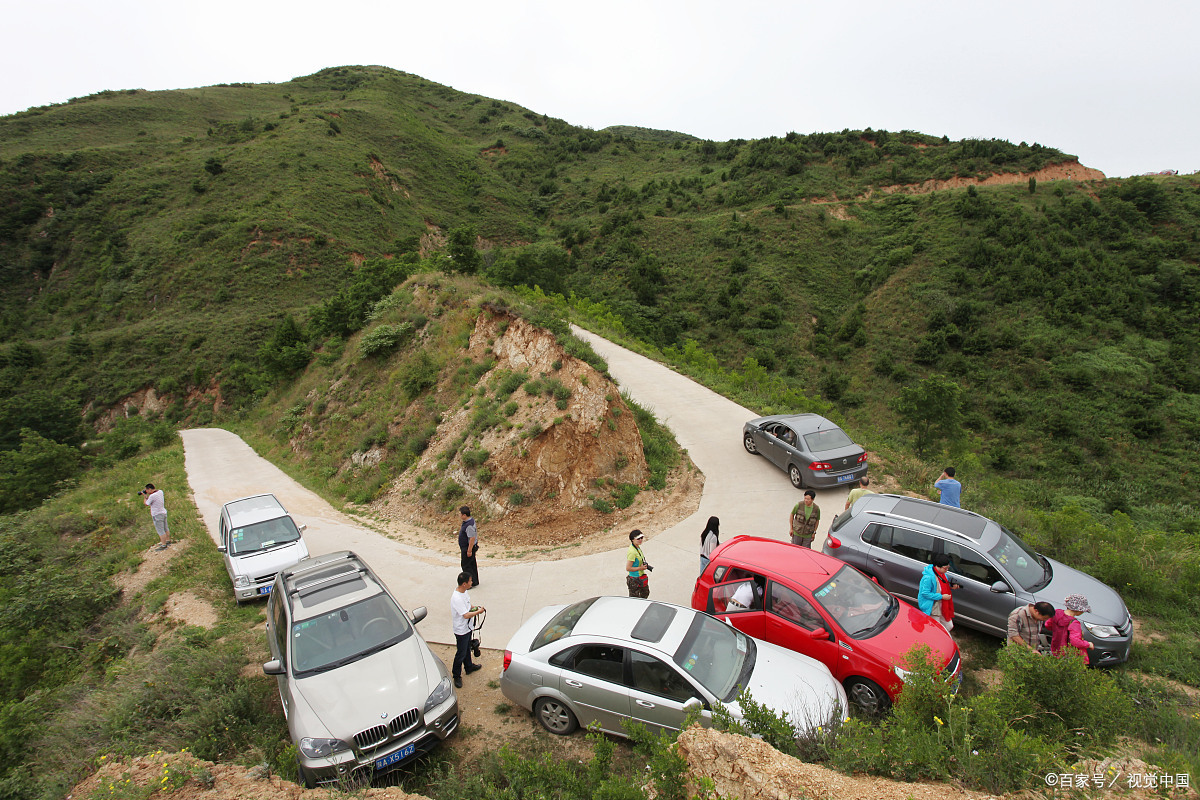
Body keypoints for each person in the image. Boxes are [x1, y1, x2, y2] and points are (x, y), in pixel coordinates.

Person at [450, 572, 485, 688]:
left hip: (467, 627)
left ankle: (469, 667)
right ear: (464, 584)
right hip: (461, 630)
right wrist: (478, 612)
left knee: (466, 649)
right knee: (461, 652)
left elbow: (469, 607)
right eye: (470, 581)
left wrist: (475, 608)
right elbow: (465, 615)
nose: (472, 583)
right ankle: (456, 675)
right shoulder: (457, 598)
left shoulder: (464, 593)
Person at [1045, 594, 1095, 664]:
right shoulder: (1074, 623)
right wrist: (1088, 644)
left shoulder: (1056, 613)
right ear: (1079, 611)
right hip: (1070, 655)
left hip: (1056, 649)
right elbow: (1075, 641)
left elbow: (1047, 625)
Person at [918, 554, 960, 631]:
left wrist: (950, 587)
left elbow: (943, 586)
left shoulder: (942, 574)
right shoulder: (928, 578)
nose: (947, 570)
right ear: (938, 566)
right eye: (945, 568)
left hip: (942, 605)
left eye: (948, 567)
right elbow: (925, 593)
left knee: (949, 626)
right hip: (933, 607)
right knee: (936, 629)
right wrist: (942, 597)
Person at [140, 483, 170, 551]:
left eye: (146, 490)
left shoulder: (152, 496)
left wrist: (145, 496)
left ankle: (163, 545)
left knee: (160, 530)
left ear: (150, 489)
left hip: (157, 514)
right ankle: (168, 541)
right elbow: (152, 500)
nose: (146, 492)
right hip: (163, 512)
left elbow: (146, 503)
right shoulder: (160, 492)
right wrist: (148, 495)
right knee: (166, 528)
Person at [457, 505, 480, 587]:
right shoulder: (469, 521)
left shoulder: (469, 525)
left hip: (467, 548)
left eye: (460, 514)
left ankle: (469, 583)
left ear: (464, 515)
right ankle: (474, 581)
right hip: (468, 547)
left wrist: (469, 550)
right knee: (472, 564)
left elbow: (472, 538)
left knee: (466, 566)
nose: (459, 515)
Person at [626, 530, 652, 598]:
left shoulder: (637, 547)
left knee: (645, 593)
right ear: (632, 540)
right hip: (634, 580)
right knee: (635, 599)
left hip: (641, 576)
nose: (640, 540)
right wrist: (640, 568)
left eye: (641, 538)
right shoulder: (632, 552)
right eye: (638, 538)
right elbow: (628, 568)